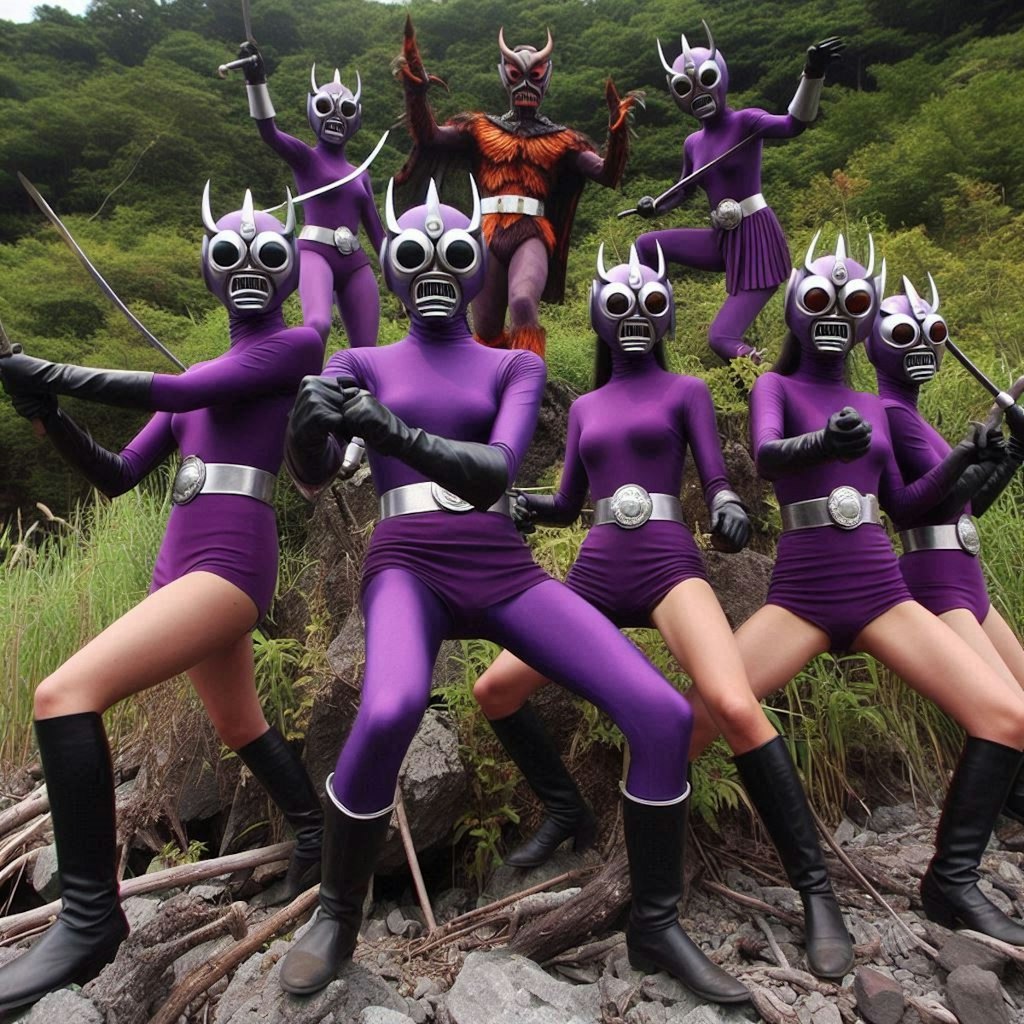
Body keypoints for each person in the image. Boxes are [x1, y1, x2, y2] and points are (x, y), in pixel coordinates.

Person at [277, 180, 748, 1004]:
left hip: (502, 567)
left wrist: (386, 427)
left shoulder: (515, 364)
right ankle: (337, 912)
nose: (433, 269)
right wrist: (303, 430)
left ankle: (656, 924)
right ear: (390, 268)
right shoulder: (357, 363)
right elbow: (314, 476)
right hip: (407, 563)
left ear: (475, 268)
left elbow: (495, 470)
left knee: (663, 714)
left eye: (453, 254)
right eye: (414, 254)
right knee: (389, 709)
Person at [472, 242, 853, 979]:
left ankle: (817, 893)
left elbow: (714, 476)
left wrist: (729, 505)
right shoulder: (584, 406)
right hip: (594, 570)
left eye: (650, 305)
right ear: (599, 318)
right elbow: (568, 501)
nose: (636, 318)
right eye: (620, 306)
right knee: (496, 688)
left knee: (733, 704)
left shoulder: (687, 391)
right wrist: (521, 504)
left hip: (669, 564)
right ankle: (566, 809)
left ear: (669, 315)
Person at [0, 186, 326, 1013]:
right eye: (230, 254)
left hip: (230, 567)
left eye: (268, 255)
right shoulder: (196, 390)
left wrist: (47, 370)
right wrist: (47, 415)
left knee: (63, 694)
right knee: (238, 723)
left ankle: (89, 919)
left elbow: (179, 394)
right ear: (210, 270)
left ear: (289, 273)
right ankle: (318, 835)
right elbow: (116, 476)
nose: (248, 269)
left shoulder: (291, 348)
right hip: (179, 567)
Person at [682, 233, 1024, 944]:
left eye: (854, 301)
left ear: (868, 316)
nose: (837, 312)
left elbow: (904, 502)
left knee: (1006, 717)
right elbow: (767, 456)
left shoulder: (877, 405)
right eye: (820, 298)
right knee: (694, 719)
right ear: (795, 309)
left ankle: (952, 880)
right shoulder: (777, 386)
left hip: (881, 590)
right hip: (803, 593)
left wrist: (970, 455)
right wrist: (821, 445)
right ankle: (654, 855)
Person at [864, 273, 1024, 816]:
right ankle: (979, 834)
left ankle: (1011, 814)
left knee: (1019, 699)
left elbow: (966, 506)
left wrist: (1010, 454)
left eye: (933, 333)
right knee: (1005, 708)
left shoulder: (914, 417)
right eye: (905, 334)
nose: (923, 346)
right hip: (936, 581)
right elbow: (910, 508)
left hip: (965, 576)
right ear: (876, 342)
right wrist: (969, 457)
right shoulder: (890, 414)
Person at [394, 17, 639, 357]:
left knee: (523, 301)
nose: (525, 83)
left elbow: (606, 174)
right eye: (515, 73)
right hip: (488, 230)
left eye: (534, 75)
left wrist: (618, 132)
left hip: (531, 230)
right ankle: (493, 382)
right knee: (486, 328)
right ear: (504, 75)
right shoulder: (480, 128)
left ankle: (529, 376)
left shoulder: (562, 139)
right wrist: (416, 92)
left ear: (546, 78)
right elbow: (430, 137)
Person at [631, 23, 844, 362]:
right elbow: (682, 190)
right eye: (684, 87)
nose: (697, 92)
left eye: (706, 79)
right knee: (646, 245)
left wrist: (812, 74)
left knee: (722, 337)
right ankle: (652, 329)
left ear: (721, 78)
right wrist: (653, 207)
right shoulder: (693, 143)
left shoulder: (746, 121)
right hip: (723, 238)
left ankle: (762, 377)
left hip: (756, 237)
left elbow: (793, 124)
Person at [236, 41, 384, 347]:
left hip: (355, 260)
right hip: (315, 252)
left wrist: (407, 274)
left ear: (356, 116)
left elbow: (378, 235)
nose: (336, 117)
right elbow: (269, 132)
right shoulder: (307, 158)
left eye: (346, 110)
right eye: (325, 107)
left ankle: (353, 380)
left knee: (367, 348)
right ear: (312, 109)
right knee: (317, 326)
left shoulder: (361, 173)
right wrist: (255, 81)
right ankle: (306, 377)